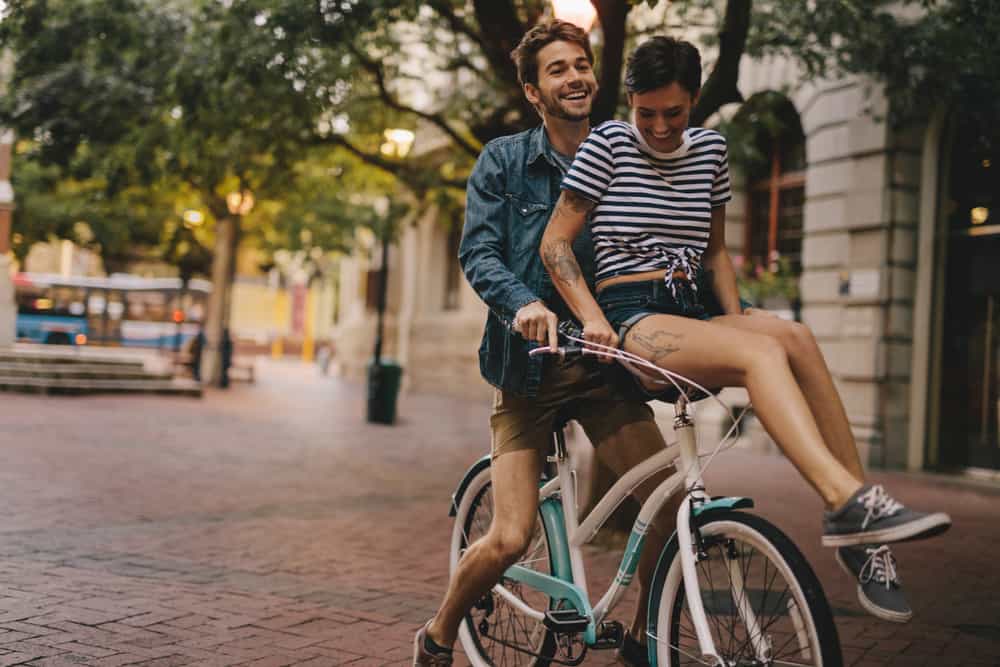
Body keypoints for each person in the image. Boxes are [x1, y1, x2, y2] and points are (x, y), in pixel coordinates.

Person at [540, 35, 952, 625]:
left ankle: (865, 544)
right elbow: (555, 242)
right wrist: (594, 319)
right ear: (630, 99)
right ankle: (844, 501)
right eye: (646, 112)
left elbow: (714, 253)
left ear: (696, 100)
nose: (659, 127)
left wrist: (735, 314)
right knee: (761, 353)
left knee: (798, 337)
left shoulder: (710, 150)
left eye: (673, 113)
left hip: (692, 308)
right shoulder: (606, 143)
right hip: (633, 314)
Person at [414, 21, 679, 667]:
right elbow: (478, 251)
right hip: (527, 370)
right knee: (509, 535)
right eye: (557, 69)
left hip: (602, 367)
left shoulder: (623, 155)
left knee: (669, 506)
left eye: (581, 63)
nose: (575, 77)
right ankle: (440, 631)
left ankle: (644, 641)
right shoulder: (504, 160)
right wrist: (524, 303)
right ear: (534, 91)